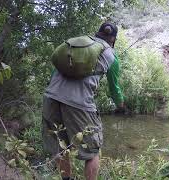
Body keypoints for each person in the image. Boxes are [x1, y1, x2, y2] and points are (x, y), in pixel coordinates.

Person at [42, 22, 125, 180]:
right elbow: (114, 89)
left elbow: (57, 70)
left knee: (60, 146)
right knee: (92, 151)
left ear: (97, 33)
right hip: (78, 104)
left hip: (50, 97)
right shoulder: (112, 56)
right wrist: (121, 105)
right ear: (113, 39)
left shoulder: (77, 46)